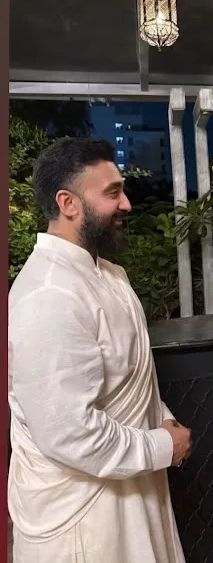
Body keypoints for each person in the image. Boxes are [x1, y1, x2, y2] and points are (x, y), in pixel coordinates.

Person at [8, 137, 192, 563]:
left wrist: (161, 416)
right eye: (112, 193)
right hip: (82, 517)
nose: (126, 204)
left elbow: (128, 374)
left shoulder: (108, 274)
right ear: (68, 203)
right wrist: (162, 447)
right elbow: (69, 433)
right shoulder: (48, 294)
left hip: (130, 487)